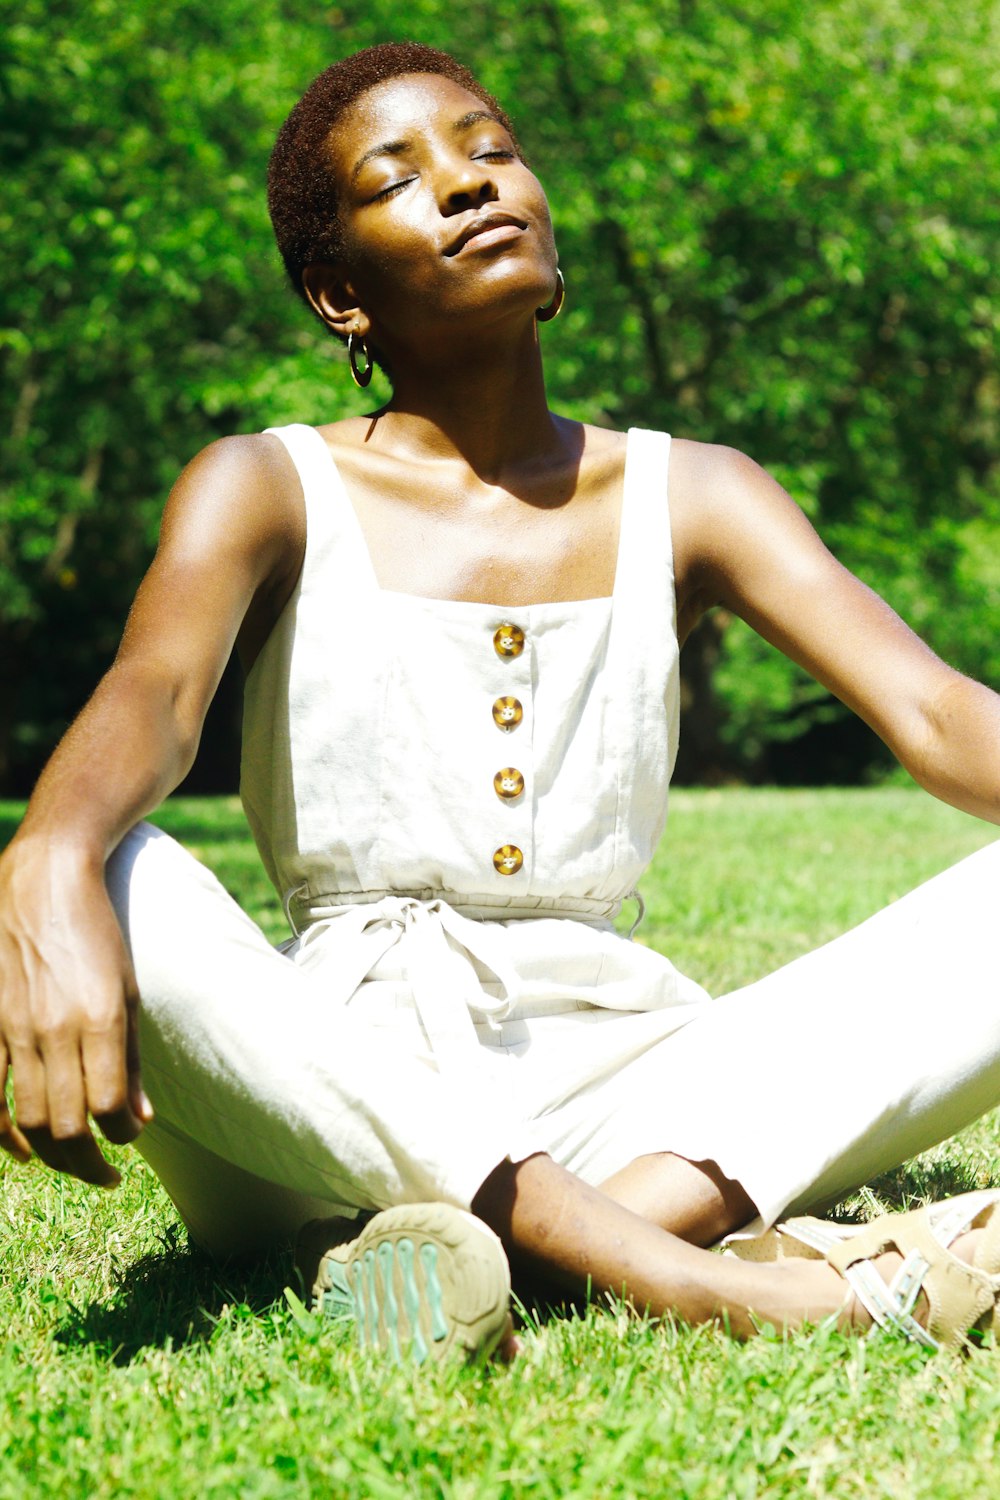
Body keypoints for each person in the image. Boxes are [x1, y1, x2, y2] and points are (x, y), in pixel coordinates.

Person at [2, 41, 999, 1365]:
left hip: (634, 1094)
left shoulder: (695, 491)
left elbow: (933, 713)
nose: (471, 184)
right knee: (114, 863)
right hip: (315, 1101)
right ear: (336, 291)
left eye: (490, 149)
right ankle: (696, 1280)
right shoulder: (263, 483)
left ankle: (438, 1263)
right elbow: (155, 697)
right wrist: (47, 856)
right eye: (399, 176)